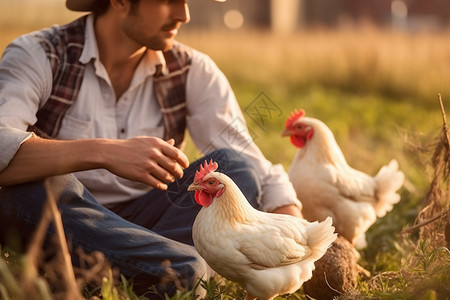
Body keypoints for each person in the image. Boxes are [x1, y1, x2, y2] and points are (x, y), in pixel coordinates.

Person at [0, 0, 302, 297]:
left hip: (152, 219)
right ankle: (161, 264)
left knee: (236, 168)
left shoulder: (192, 68)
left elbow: (253, 164)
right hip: (67, 220)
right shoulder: (39, 54)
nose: (183, 14)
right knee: (37, 187)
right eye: (169, 0)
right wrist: (103, 152)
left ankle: (142, 263)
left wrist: (301, 240)